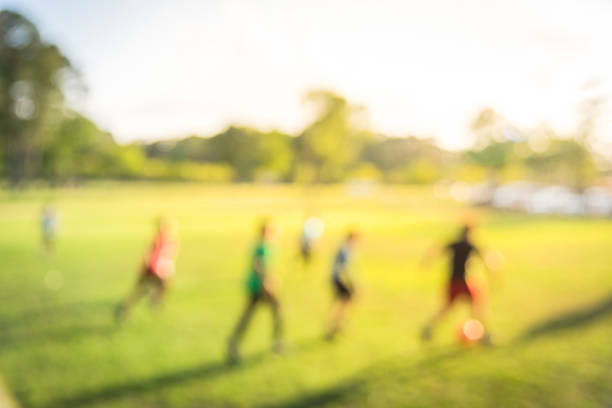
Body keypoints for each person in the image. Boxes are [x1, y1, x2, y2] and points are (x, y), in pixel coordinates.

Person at [421, 223, 494, 343]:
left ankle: (429, 327)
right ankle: (485, 336)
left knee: (450, 308)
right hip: (461, 282)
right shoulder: (469, 245)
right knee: (475, 309)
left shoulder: (455, 244)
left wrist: (427, 261)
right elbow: (485, 258)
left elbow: (438, 250)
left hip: (453, 282)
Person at [227, 220, 283, 363]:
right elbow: (258, 266)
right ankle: (276, 343)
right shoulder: (262, 247)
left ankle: (234, 344)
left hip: (259, 286)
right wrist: (267, 283)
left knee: (270, 312)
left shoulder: (264, 245)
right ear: (265, 231)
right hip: (259, 287)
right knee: (266, 313)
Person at [115, 218, 178, 324]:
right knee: (141, 290)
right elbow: (149, 253)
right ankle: (126, 307)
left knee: (159, 286)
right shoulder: (159, 239)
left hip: (159, 270)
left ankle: (151, 300)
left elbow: (169, 255)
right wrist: (146, 264)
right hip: (152, 269)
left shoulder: (170, 240)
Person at [326, 231, 359, 340]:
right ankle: (335, 327)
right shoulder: (346, 249)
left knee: (340, 303)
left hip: (336, 278)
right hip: (339, 280)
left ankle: (336, 326)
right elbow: (344, 268)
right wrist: (352, 283)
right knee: (342, 304)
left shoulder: (344, 247)